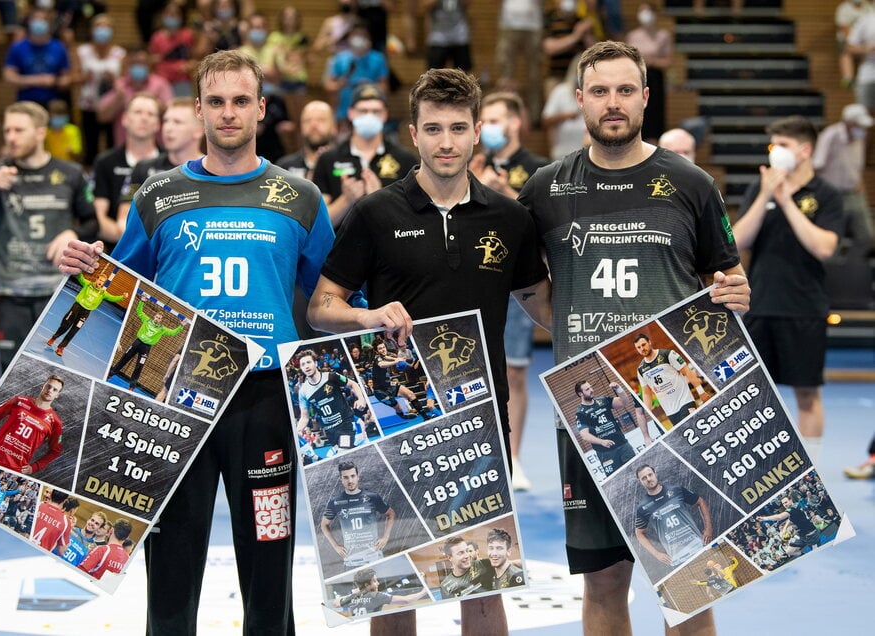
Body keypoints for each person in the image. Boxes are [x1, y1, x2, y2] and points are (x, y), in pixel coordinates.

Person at [59, 49, 334, 635]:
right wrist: (81, 266)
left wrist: (375, 319)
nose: (228, 112)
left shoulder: (302, 198)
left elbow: (329, 301)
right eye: (216, 101)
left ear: (260, 108)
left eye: (240, 101)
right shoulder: (157, 198)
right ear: (198, 109)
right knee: (172, 563)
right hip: (172, 401)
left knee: (269, 558)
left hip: (264, 403)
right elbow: (116, 290)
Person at [307, 66, 550, 636]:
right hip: (392, 418)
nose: (446, 142)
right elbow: (321, 307)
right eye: (434, 129)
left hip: (476, 418)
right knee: (392, 590)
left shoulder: (510, 219)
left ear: (476, 132)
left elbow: (547, 308)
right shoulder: (374, 213)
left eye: (458, 128)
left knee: (484, 583)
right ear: (413, 135)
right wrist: (366, 314)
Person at [518, 40, 750, 636]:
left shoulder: (690, 183)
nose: (613, 103)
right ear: (579, 102)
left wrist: (736, 295)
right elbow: (529, 288)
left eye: (625, 90)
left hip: (675, 408)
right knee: (602, 581)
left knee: (690, 578)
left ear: (646, 97)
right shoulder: (546, 188)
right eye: (600, 91)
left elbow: (726, 276)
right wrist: (576, 327)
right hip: (586, 407)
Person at [733, 115, 845, 460]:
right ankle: (757, 466)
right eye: (773, 145)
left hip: (804, 307)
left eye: (782, 145)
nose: (775, 152)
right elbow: (736, 241)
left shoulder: (825, 195)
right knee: (751, 394)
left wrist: (785, 202)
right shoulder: (759, 187)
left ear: (805, 150)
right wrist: (766, 194)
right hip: (759, 304)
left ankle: (814, 468)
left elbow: (824, 247)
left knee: (807, 393)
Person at [0, 101, 96, 373]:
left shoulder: (70, 173)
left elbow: (92, 222)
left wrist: (71, 232)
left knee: (55, 372)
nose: (11, 138)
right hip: (11, 291)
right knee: (9, 375)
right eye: (7, 131)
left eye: (19, 130)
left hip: (57, 292)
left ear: (40, 132)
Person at [468, 90, 549, 489]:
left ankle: (513, 459)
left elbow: (544, 230)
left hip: (516, 283)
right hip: (470, 280)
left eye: (499, 120)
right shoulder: (467, 164)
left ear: (515, 123)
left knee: (514, 372)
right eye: (487, 121)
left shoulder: (538, 171)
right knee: (468, 373)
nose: (492, 130)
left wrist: (505, 197)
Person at [312, 82, 417, 227]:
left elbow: (414, 220)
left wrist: (380, 197)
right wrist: (346, 200)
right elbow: (317, 223)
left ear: (385, 114)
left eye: (376, 111)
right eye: (363, 111)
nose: (369, 116)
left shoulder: (405, 159)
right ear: (350, 113)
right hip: (341, 247)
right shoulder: (329, 159)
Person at [116, 95, 206, 224]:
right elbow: (124, 219)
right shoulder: (142, 168)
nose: (168, 128)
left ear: (198, 131)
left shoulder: (211, 170)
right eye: (166, 121)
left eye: (177, 122)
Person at [91, 93, 161, 249]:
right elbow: (96, 217)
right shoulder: (105, 162)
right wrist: (131, 240)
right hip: (115, 248)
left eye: (150, 114)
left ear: (158, 124)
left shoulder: (170, 162)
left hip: (160, 247)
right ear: (124, 119)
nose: (144, 118)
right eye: (137, 112)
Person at [813, 103, 874, 255]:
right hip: (832, 194)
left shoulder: (860, 138)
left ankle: (866, 269)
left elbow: (858, 169)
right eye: (858, 124)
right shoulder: (830, 135)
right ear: (848, 122)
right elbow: (816, 166)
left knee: (867, 235)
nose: (862, 129)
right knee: (832, 237)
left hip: (854, 194)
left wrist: (863, 195)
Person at [0, 374, 65, 475]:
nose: (50, 390)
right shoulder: (19, 400)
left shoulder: (55, 422)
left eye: (55, 390)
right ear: (43, 386)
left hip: (15, 470)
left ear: (58, 395)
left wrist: (35, 467)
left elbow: (55, 450)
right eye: (48, 386)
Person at [634, 463, 713, 568]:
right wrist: (657, 554)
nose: (648, 479)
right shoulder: (643, 507)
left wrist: (708, 528)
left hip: (698, 546)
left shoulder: (676, 490)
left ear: (655, 474)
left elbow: (700, 502)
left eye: (650, 474)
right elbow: (639, 533)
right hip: (678, 558)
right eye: (644, 478)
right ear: (640, 482)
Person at [321, 461, 396, 567]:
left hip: (374, 557)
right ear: (341, 480)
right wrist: (335, 546)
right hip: (351, 560)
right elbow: (324, 525)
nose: (350, 480)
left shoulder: (372, 497)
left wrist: (386, 537)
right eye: (346, 477)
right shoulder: (335, 502)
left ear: (358, 477)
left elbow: (391, 514)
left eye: (352, 476)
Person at [75, 12, 126, 167]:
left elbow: (125, 81)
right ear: (92, 30)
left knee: (112, 144)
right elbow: (72, 77)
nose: (102, 31)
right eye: (99, 27)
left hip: (111, 108)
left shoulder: (120, 53)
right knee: (90, 146)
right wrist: (83, 78)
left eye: (106, 27)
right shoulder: (81, 51)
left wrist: (113, 80)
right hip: (88, 105)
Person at [297, 349, 369, 453]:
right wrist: (298, 430)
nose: (306, 366)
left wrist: (361, 399)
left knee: (343, 452)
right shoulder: (303, 392)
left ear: (315, 363)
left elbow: (353, 384)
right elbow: (304, 417)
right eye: (303, 364)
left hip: (346, 423)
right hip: (330, 431)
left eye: (309, 362)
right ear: (301, 368)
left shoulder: (331, 377)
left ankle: (360, 435)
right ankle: (361, 440)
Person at [574, 380, 650, 476]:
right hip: (606, 453)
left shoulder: (603, 401)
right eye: (587, 389)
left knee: (637, 472)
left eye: (591, 387)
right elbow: (584, 436)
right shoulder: (580, 412)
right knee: (617, 479)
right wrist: (602, 442)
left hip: (623, 445)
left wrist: (619, 389)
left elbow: (624, 402)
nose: (592, 390)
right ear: (580, 393)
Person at [108, 298, 186, 391]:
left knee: (139, 367)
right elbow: (139, 311)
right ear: (154, 316)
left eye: (159, 318)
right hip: (137, 343)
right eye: (157, 317)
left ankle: (131, 387)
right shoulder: (146, 320)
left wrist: (181, 326)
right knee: (124, 359)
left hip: (146, 348)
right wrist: (142, 301)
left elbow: (173, 332)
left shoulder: (162, 329)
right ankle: (110, 374)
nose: (157, 319)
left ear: (161, 320)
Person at [2, 8, 72, 109]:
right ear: (29, 22)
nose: (39, 23)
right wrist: (36, 80)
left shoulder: (59, 47)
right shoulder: (17, 47)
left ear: (49, 23)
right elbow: (8, 77)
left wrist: (56, 81)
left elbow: (67, 76)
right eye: (35, 19)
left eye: (43, 20)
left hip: (53, 104)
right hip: (26, 104)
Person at [634, 332, 709, 425]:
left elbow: (687, 371)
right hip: (670, 411)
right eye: (639, 347)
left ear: (649, 342)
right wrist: (648, 413)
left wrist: (701, 392)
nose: (642, 349)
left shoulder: (667, 354)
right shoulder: (641, 369)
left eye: (643, 345)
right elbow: (646, 392)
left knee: (693, 425)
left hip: (685, 401)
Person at [46, 270, 128, 356]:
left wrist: (122, 297)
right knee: (65, 324)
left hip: (86, 312)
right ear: (96, 279)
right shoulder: (87, 284)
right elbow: (80, 277)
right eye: (100, 280)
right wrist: (79, 270)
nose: (101, 282)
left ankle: (61, 347)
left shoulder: (103, 293)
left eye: (103, 282)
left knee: (75, 330)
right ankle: (54, 338)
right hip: (77, 307)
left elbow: (113, 298)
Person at [323, 20, 389, 124]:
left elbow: (384, 87)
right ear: (350, 37)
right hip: (344, 114)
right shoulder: (339, 59)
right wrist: (340, 84)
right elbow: (328, 85)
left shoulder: (378, 59)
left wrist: (370, 87)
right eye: (356, 34)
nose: (358, 38)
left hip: (370, 113)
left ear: (368, 38)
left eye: (362, 35)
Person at [625, 2, 673, 143]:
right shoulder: (632, 36)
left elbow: (668, 61)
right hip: (636, 78)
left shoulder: (663, 35)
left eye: (648, 11)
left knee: (654, 117)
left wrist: (652, 61)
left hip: (654, 79)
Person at [275, 99, 338, 180]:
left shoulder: (346, 164)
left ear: (334, 127)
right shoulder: (283, 168)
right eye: (307, 120)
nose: (313, 125)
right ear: (301, 127)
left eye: (321, 120)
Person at [332, 567, 429, 616]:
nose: (378, 583)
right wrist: (423, 592)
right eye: (374, 581)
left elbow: (335, 603)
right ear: (366, 585)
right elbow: (405, 600)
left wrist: (356, 592)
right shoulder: (376, 596)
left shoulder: (352, 598)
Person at [756, 494, 823, 556]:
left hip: (811, 535)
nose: (785, 505)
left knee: (817, 554)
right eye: (783, 503)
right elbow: (790, 519)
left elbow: (779, 517)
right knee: (789, 551)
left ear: (790, 500)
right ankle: (804, 556)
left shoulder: (792, 509)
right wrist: (784, 528)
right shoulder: (794, 507)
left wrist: (764, 518)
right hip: (802, 535)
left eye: (786, 502)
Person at [31, 489, 79, 554]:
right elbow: (61, 551)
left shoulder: (38, 505)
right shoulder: (66, 522)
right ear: (64, 501)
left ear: (51, 495)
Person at [43, 98, 83, 163]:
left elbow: (78, 155)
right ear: (49, 115)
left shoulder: (73, 130)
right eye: (56, 114)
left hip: (68, 164)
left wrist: (72, 152)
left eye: (61, 114)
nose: (59, 117)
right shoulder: (45, 132)